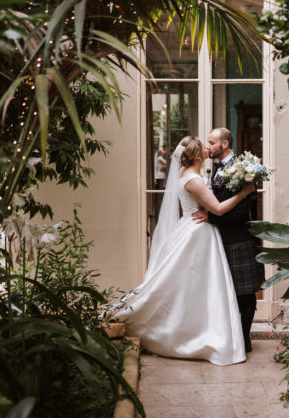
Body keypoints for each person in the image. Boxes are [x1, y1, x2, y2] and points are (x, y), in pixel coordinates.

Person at [102, 136, 255, 365]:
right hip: (198, 232)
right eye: (203, 147)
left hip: (193, 227)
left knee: (193, 288)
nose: (207, 148)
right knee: (193, 286)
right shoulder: (194, 180)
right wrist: (244, 193)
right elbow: (219, 209)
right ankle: (189, 334)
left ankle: (196, 328)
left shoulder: (187, 174)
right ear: (195, 157)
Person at [193, 127, 266, 353]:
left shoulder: (239, 169)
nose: (208, 146)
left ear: (225, 144)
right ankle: (232, 337)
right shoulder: (215, 168)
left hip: (238, 238)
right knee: (226, 292)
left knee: (244, 294)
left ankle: (244, 340)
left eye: (212, 143)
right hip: (220, 238)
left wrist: (211, 216)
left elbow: (242, 211)